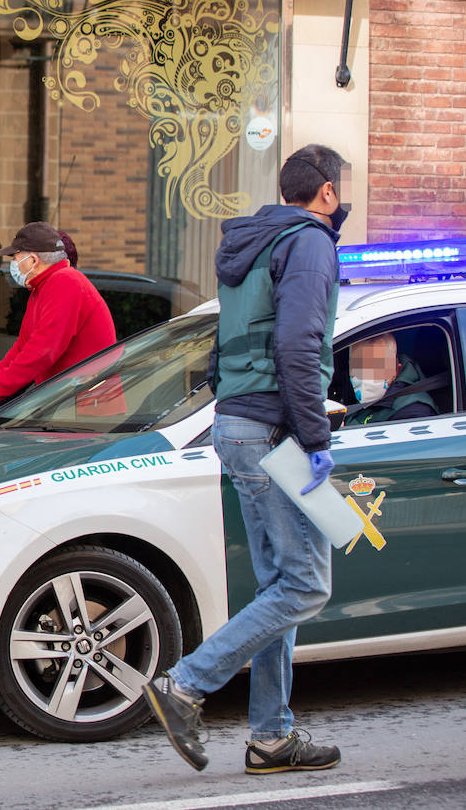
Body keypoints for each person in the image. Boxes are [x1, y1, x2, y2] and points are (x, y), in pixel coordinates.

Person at [143, 144, 350, 774]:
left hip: (237, 421)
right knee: (306, 584)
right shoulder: (310, 241)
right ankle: (185, 684)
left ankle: (271, 736)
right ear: (328, 193)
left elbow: (225, 343)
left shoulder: (252, 241)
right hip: (273, 431)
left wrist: (249, 406)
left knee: (277, 586)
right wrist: (314, 436)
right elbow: (296, 341)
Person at [0, 222, 115, 415]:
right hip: (67, 402)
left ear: (33, 260)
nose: (13, 264)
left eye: (16, 257)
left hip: (84, 406)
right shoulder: (43, 286)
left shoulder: (64, 282)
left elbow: (42, 350)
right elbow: (23, 347)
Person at [343, 333, 438, 425]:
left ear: (396, 370)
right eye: (357, 367)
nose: (364, 377)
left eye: (375, 367)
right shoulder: (376, 399)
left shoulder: (413, 412)